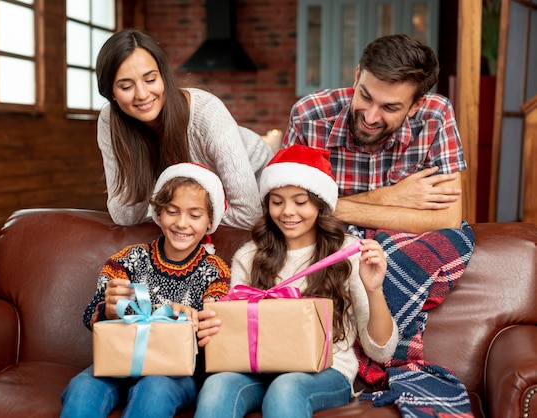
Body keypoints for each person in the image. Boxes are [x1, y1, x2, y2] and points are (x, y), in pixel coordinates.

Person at [194, 145, 399, 418]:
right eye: (277, 201)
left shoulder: (348, 255)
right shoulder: (249, 256)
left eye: (300, 201)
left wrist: (373, 290)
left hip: (326, 370)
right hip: (259, 368)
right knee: (217, 385)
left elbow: (381, 351)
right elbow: (236, 336)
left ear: (319, 203)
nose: (287, 212)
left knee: (286, 387)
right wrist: (213, 327)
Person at [60, 163, 231, 418]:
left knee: (155, 387)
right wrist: (109, 308)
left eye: (195, 215)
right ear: (159, 213)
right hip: (120, 360)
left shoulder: (214, 270)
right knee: (83, 385)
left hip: (177, 371)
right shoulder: (128, 259)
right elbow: (90, 317)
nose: (182, 223)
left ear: (210, 221)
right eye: (172, 211)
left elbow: (215, 332)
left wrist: (193, 320)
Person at [285, 34, 466, 235]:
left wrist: (328, 209)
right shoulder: (309, 117)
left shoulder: (436, 116)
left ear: (416, 105)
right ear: (357, 77)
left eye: (390, 107)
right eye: (365, 96)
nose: (370, 118)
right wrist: (390, 196)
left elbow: (447, 220)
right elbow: (288, 211)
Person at [95, 28, 273, 230]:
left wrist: (184, 220)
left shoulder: (207, 113)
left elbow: (249, 215)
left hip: (259, 184)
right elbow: (124, 216)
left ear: (164, 76)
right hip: (202, 206)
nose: (143, 94)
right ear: (110, 93)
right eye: (126, 87)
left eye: (151, 79)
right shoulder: (110, 122)